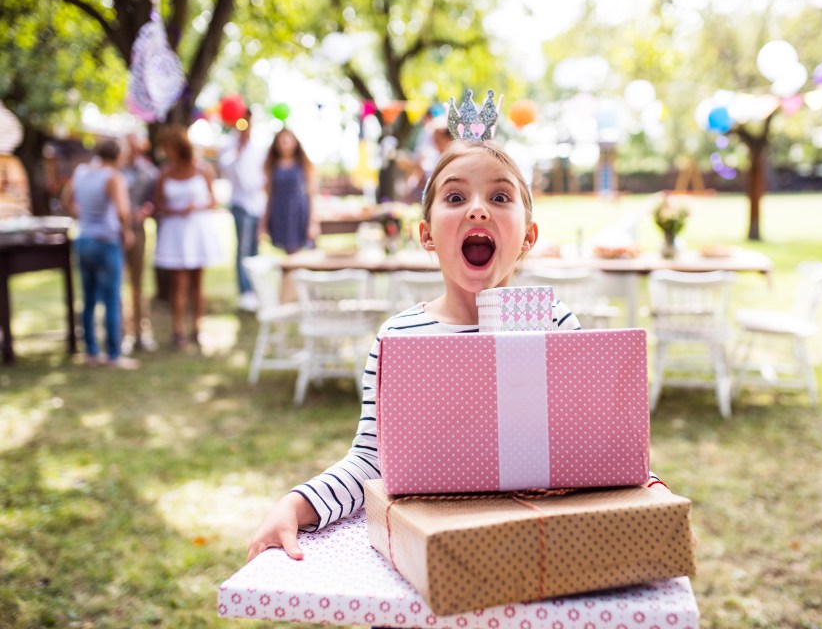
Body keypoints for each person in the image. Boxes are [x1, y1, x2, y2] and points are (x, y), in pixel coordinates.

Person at [246, 138, 668, 562]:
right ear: (427, 235)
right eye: (455, 196)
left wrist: (650, 489)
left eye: (500, 196)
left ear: (528, 236)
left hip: (536, 547)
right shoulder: (400, 338)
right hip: (434, 549)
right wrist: (295, 505)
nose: (478, 209)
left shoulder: (552, 324)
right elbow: (372, 462)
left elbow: (599, 445)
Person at [60, 139, 139, 369]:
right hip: (106, 241)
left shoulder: (81, 172)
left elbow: (66, 200)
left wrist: (84, 215)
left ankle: (91, 352)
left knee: (89, 299)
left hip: (83, 239)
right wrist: (126, 231)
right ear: (118, 156)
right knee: (112, 298)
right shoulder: (113, 177)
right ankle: (114, 354)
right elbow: (123, 210)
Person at [153, 124, 224, 349]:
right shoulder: (164, 173)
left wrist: (197, 206)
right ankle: (178, 331)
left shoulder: (203, 170)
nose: (167, 151)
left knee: (197, 284)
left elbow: (213, 201)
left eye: (170, 146)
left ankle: (197, 327)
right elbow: (159, 204)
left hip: (197, 232)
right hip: (176, 233)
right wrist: (176, 211)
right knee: (179, 284)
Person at [219, 111, 266, 312]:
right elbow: (225, 169)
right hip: (240, 204)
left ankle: (256, 289)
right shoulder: (230, 146)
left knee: (255, 249)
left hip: (256, 204)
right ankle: (245, 292)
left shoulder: (258, 147)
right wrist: (237, 150)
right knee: (243, 248)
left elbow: (262, 176)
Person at [120, 133, 159, 351]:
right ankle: (125, 332)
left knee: (137, 283)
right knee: (119, 284)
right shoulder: (114, 170)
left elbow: (155, 198)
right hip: (116, 231)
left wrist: (147, 209)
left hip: (137, 229)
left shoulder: (148, 171)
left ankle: (142, 330)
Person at [260, 128, 317, 254]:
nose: (284, 143)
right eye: (281, 140)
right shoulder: (272, 165)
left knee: (302, 251)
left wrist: (313, 222)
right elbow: (269, 194)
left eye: (287, 140)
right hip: (280, 210)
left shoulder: (303, 164)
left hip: (298, 211)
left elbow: (312, 193)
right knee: (289, 251)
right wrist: (263, 222)